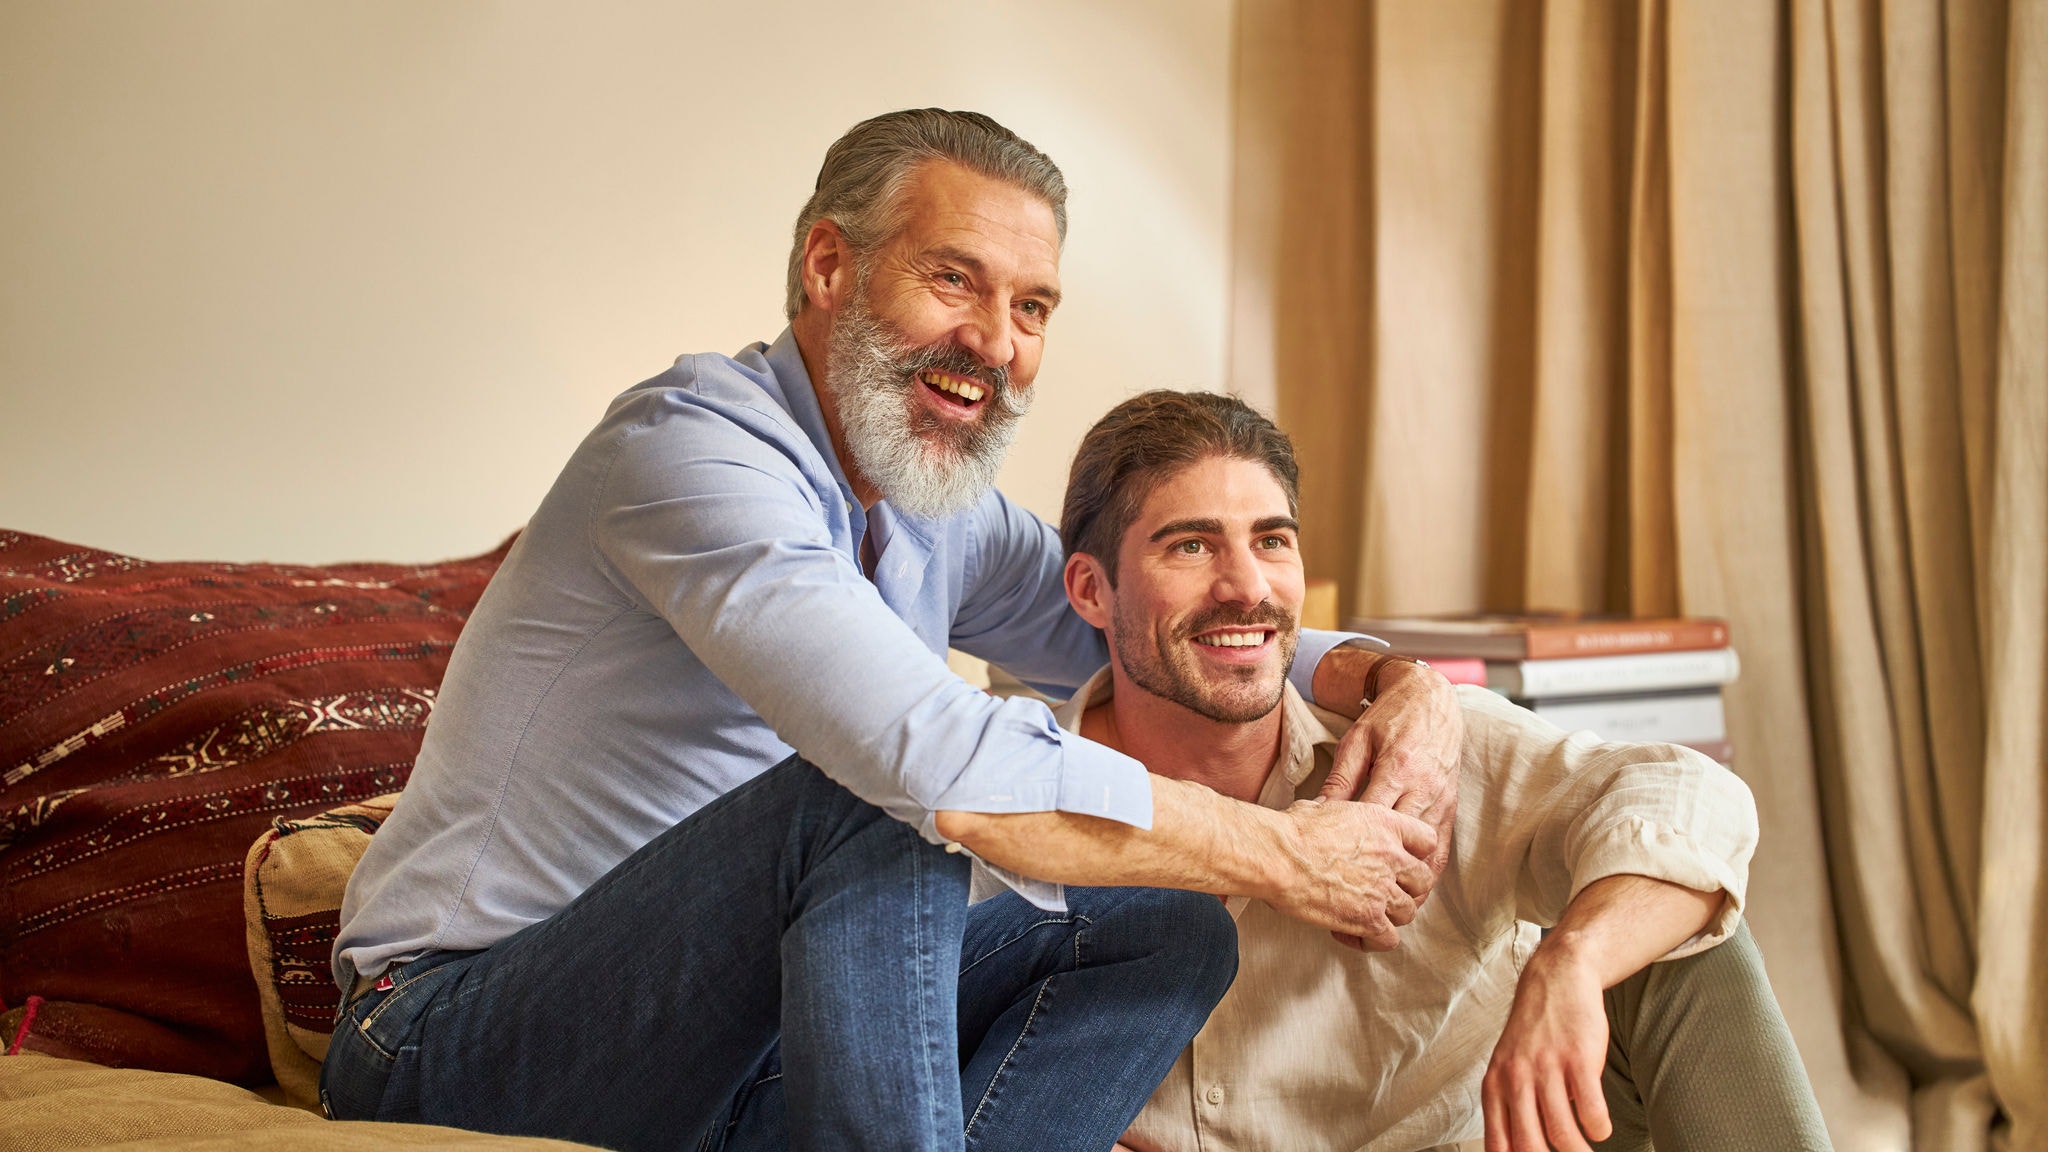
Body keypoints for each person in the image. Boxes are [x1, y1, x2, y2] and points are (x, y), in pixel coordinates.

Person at [324, 110, 1466, 1152]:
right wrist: (1281, 853)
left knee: (1164, 937)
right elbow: (931, 762)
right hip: (452, 1033)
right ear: (828, 266)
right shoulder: (686, 455)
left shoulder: (930, 505)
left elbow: (1145, 632)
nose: (993, 343)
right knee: (872, 792)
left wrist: (1395, 682)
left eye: (1030, 309)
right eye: (952, 281)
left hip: (735, 1055)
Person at [953, 390, 1831, 1152]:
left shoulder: (1413, 748)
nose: (1244, 586)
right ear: (1090, 590)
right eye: (1189, 547)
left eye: (1272, 541)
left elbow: (1691, 798)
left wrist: (1571, 961)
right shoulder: (1013, 804)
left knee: (1675, 919)